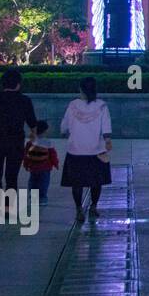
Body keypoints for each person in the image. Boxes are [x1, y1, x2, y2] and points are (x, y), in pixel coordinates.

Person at [0, 69, 38, 191]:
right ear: (18, 84)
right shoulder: (24, 100)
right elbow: (32, 121)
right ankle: (9, 207)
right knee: (12, 177)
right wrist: (33, 134)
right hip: (16, 142)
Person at [60, 77, 113, 223]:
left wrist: (64, 132)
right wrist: (107, 140)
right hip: (96, 150)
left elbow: (64, 126)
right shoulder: (102, 106)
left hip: (75, 150)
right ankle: (93, 206)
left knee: (77, 182)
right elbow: (106, 127)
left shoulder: (72, 105)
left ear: (81, 89)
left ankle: (78, 209)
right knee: (96, 181)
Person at [23, 120, 60, 205]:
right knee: (43, 183)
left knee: (33, 182)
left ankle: (33, 197)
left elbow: (26, 155)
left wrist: (26, 164)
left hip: (33, 167)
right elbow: (53, 155)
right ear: (46, 131)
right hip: (45, 168)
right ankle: (42, 198)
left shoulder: (30, 142)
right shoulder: (48, 142)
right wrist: (56, 163)